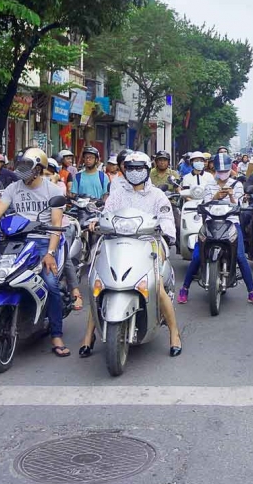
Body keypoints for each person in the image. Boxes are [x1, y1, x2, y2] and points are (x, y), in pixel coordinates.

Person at [0, 148, 70, 357]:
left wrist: (50, 253)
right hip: (14, 239)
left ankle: (56, 334)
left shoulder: (53, 191)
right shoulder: (13, 188)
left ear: (39, 169)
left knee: (50, 283)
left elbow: (57, 224)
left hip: (42, 240)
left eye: (28, 168)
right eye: (21, 167)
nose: (22, 172)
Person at [80, 152, 183, 357]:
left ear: (146, 170)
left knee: (157, 286)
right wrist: (96, 222)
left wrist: (167, 233)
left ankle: (174, 333)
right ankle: (88, 335)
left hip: (149, 243)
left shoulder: (157, 195)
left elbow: (166, 219)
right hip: (117, 242)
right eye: (131, 168)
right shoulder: (117, 193)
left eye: (139, 168)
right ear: (125, 170)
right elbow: (106, 214)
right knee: (100, 284)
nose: (135, 173)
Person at [178, 153, 253, 306]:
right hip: (211, 222)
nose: (223, 174)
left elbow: (238, 206)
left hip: (231, 223)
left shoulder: (236, 184)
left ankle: (252, 292)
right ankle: (184, 289)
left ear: (230, 169)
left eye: (226, 171)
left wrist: (231, 196)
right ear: (215, 169)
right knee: (197, 256)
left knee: (240, 257)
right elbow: (204, 204)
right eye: (220, 171)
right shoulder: (209, 184)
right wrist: (216, 196)